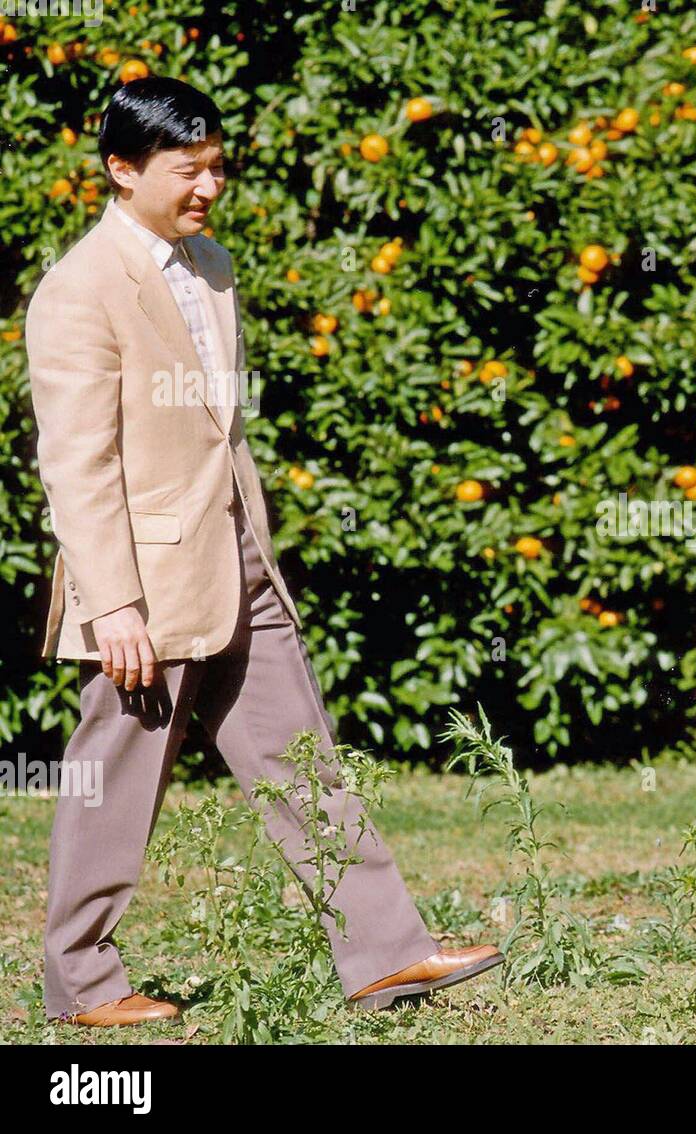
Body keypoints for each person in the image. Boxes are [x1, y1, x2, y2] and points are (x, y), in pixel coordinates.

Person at [26, 76, 502, 1026]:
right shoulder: (78, 291)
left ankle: (384, 956)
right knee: (115, 781)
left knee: (304, 757)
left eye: (215, 166)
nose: (207, 187)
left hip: (242, 556)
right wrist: (111, 603)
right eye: (184, 170)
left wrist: (253, 535)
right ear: (122, 170)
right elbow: (77, 463)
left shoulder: (212, 263)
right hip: (144, 588)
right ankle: (82, 986)